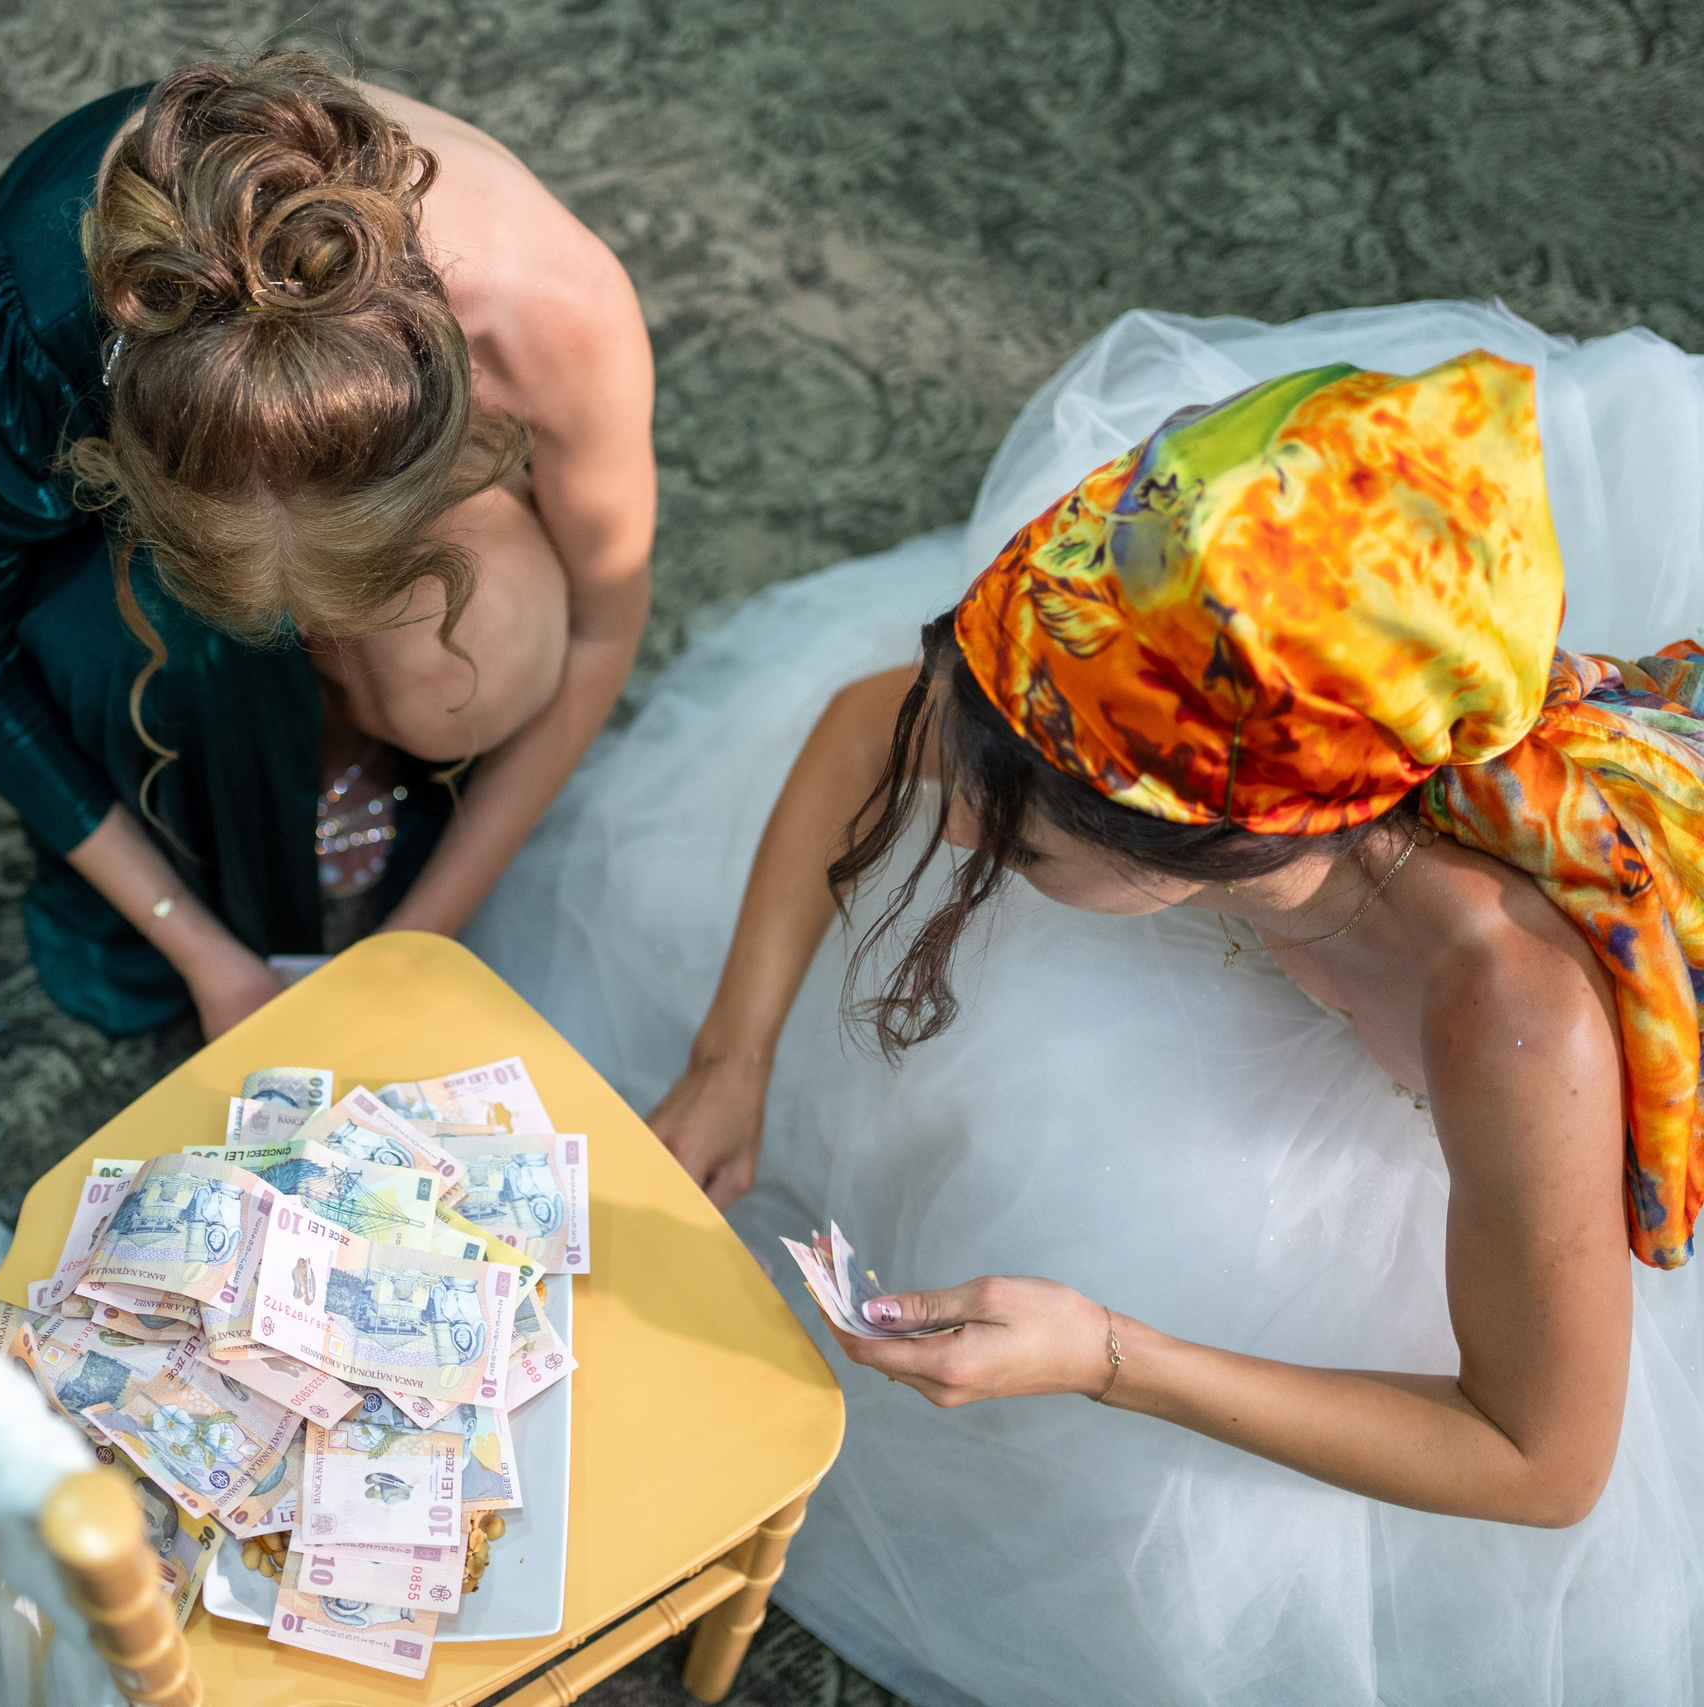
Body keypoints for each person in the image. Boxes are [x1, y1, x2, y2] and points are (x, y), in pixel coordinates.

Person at [465, 301, 1704, 1705]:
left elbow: (1541, 1460)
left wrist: (1112, 1355)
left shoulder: (1515, 1015)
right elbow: (868, 730)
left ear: (1215, 851)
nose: (969, 836)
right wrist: (734, 1050)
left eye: (1029, 843)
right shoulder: (1108, 703)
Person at [0, 53, 653, 1038]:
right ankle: (226, 744)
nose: (310, 636)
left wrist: (409, 941)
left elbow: (603, 629)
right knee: (167, 665)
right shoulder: (24, 331)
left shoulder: (557, 309)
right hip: (99, 490)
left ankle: (361, 773)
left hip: (431, 493)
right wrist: (198, 949)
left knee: (466, 664)